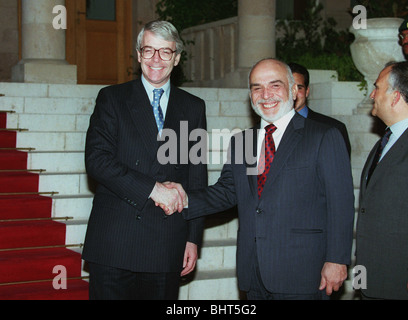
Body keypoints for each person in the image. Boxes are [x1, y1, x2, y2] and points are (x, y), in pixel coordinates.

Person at [160, 58, 355, 300]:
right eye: (256, 87)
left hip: (304, 272)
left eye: (275, 85)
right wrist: (183, 197)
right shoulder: (242, 141)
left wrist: (337, 259)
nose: (265, 95)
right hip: (253, 272)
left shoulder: (324, 136)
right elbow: (227, 192)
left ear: (294, 90)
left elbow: (341, 203)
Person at [82, 20, 207, 300]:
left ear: (176, 58)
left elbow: (196, 176)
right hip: (115, 241)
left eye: (165, 52)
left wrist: (193, 237)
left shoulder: (193, 107)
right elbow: (97, 161)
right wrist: (154, 189)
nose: (156, 59)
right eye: (148, 50)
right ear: (138, 55)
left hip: (165, 243)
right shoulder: (112, 99)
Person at [355, 61, 408, 300]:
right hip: (374, 278)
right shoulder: (387, 139)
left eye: (377, 88)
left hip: (403, 283)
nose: (372, 94)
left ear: (395, 97)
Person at [287, 62, 351, 157]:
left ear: (307, 91)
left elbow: (339, 170)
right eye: (288, 88)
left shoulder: (333, 129)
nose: (293, 93)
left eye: (299, 88)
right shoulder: (264, 129)